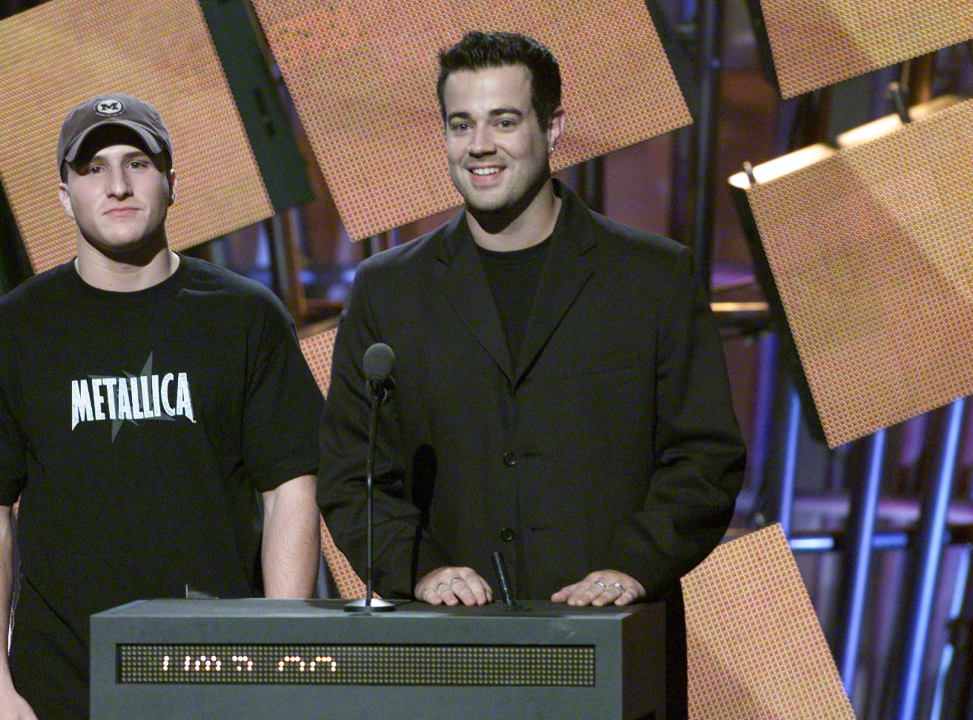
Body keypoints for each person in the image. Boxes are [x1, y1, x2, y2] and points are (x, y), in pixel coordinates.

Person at [317, 32, 745, 717]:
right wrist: (420, 569)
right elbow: (352, 474)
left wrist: (633, 566)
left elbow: (706, 455)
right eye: (462, 124)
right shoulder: (388, 292)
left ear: (553, 128)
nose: (480, 145)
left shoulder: (652, 278)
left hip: (610, 659)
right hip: (450, 663)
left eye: (504, 121)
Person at [0, 94, 324, 720]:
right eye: (93, 168)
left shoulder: (244, 318)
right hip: (60, 689)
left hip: (218, 678)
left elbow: (290, 494)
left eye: (137, 162)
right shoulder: (12, 333)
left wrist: (276, 660)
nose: (117, 184)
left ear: (171, 182)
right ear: (64, 195)